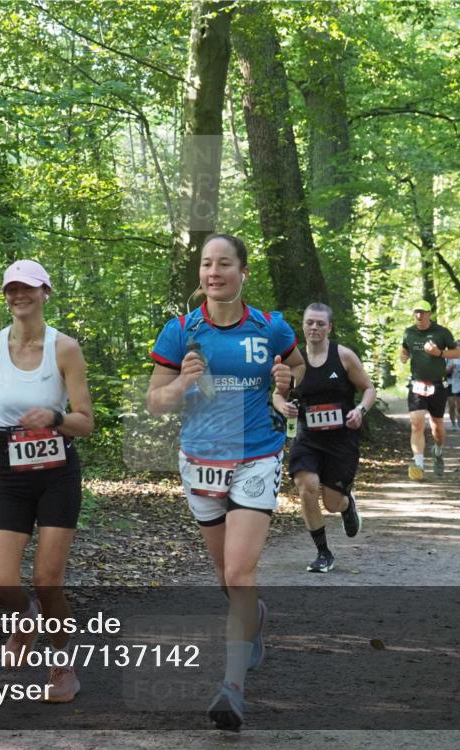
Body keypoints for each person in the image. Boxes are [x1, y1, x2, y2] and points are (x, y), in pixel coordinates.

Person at [146, 233, 302, 731]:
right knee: (226, 576)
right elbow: (155, 402)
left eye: (225, 264)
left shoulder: (271, 327)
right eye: (207, 265)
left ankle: (232, 689)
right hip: (202, 460)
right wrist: (181, 383)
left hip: (257, 455)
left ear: (243, 273)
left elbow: (296, 366)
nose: (214, 272)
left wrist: (286, 383)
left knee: (238, 571)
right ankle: (253, 618)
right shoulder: (181, 331)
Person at [0, 259, 94, 704]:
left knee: (47, 580)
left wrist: (56, 417)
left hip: (58, 473)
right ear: (5, 295)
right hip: (10, 471)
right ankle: (27, 620)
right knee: (1, 582)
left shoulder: (65, 349)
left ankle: (63, 668)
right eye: (11, 289)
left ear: (45, 292)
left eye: (28, 288)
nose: (19, 296)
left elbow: (86, 422)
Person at [272, 303, 376, 574]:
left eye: (320, 323)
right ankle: (323, 553)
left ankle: (347, 504)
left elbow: (368, 389)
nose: (314, 327)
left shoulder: (343, 356)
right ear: (303, 327)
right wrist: (283, 407)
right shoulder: (294, 361)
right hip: (307, 437)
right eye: (310, 323)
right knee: (306, 487)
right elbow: (278, 394)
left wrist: (360, 410)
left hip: (341, 439)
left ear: (329, 327)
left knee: (332, 503)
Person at [400, 300, 460, 480]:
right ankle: (418, 465)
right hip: (417, 384)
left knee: (437, 428)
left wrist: (439, 353)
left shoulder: (441, 332)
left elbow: (457, 353)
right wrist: (403, 355)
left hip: (438, 385)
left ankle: (438, 451)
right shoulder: (409, 332)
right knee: (417, 423)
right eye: (416, 312)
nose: (419, 316)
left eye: (423, 312)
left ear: (429, 314)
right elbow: (404, 349)